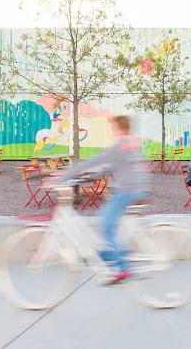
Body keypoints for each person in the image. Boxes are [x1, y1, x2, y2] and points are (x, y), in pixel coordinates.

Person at [56, 115, 149, 285]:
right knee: (106, 222)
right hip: (135, 189)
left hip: (126, 191)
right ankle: (111, 254)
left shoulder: (120, 147)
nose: (112, 131)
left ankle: (122, 269)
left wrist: (64, 176)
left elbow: (95, 160)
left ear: (121, 129)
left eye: (114, 128)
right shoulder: (131, 144)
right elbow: (110, 166)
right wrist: (86, 177)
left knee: (105, 228)